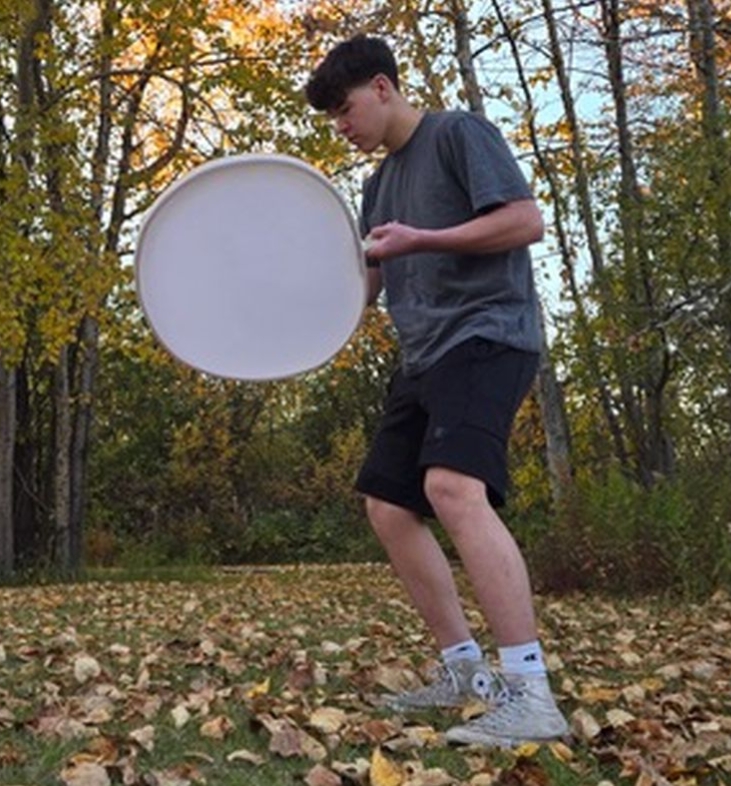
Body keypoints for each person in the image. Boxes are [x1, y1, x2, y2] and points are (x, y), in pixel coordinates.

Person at [304, 34, 568, 747]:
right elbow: (364, 288)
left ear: (384, 87)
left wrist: (422, 239)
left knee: (453, 489)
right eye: (331, 118)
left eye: (345, 108)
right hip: (423, 357)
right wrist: (285, 318)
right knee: (389, 506)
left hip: (486, 335)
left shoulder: (459, 133)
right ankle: (464, 673)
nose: (342, 126)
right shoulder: (373, 187)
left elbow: (525, 221)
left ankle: (531, 693)